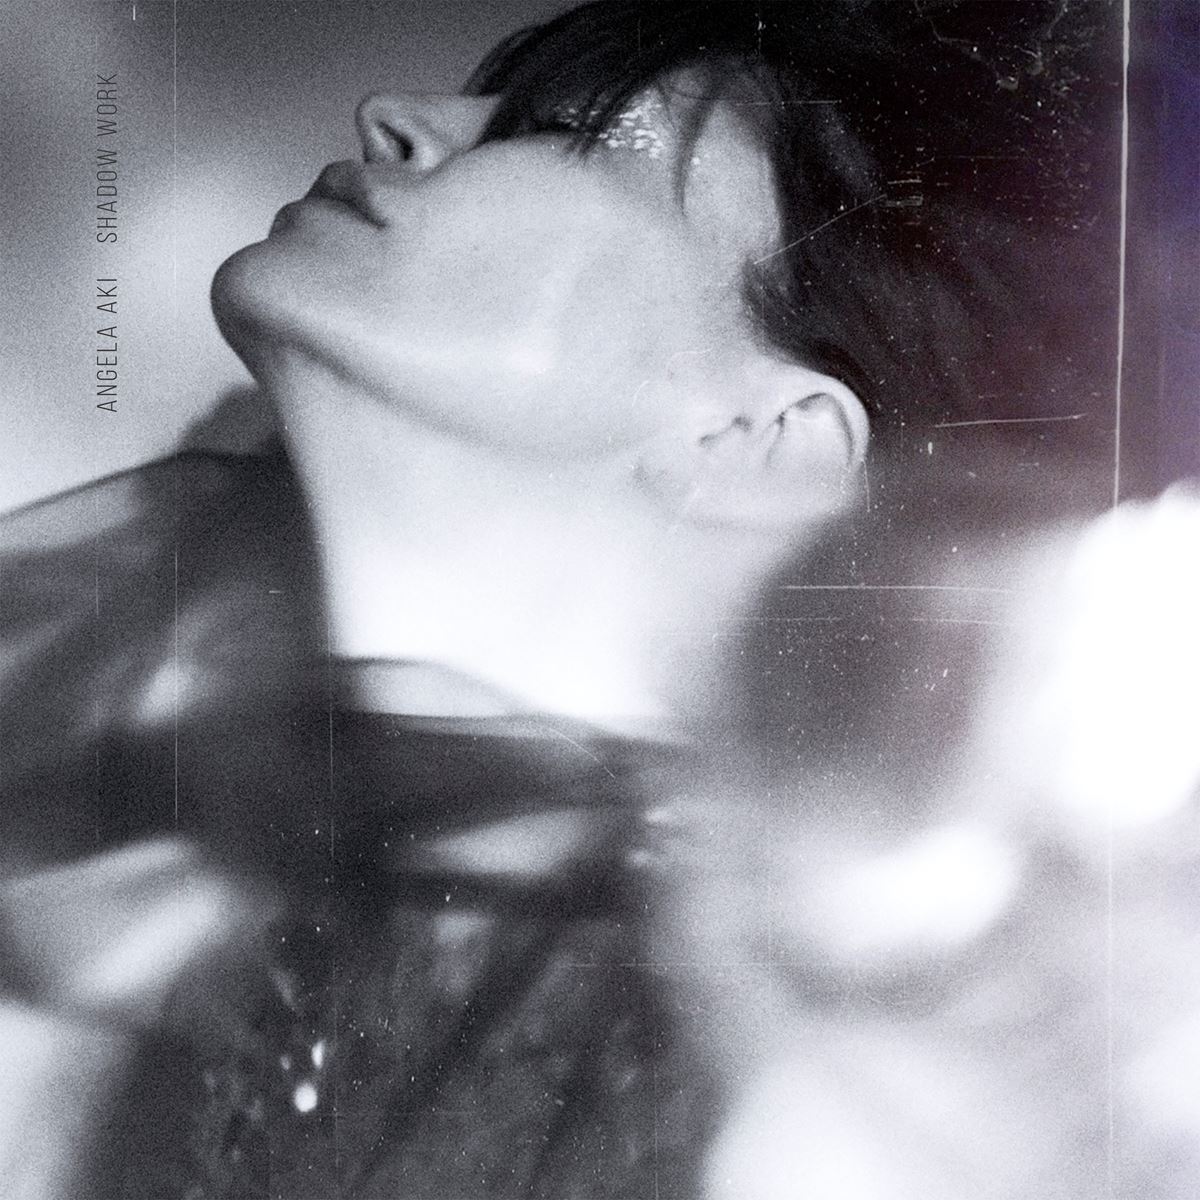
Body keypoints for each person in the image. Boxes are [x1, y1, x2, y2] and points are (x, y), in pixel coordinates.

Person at [0, 2, 1145, 1197]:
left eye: (562, 129)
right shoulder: (147, 844)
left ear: (769, 441)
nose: (394, 117)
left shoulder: (764, 1054)